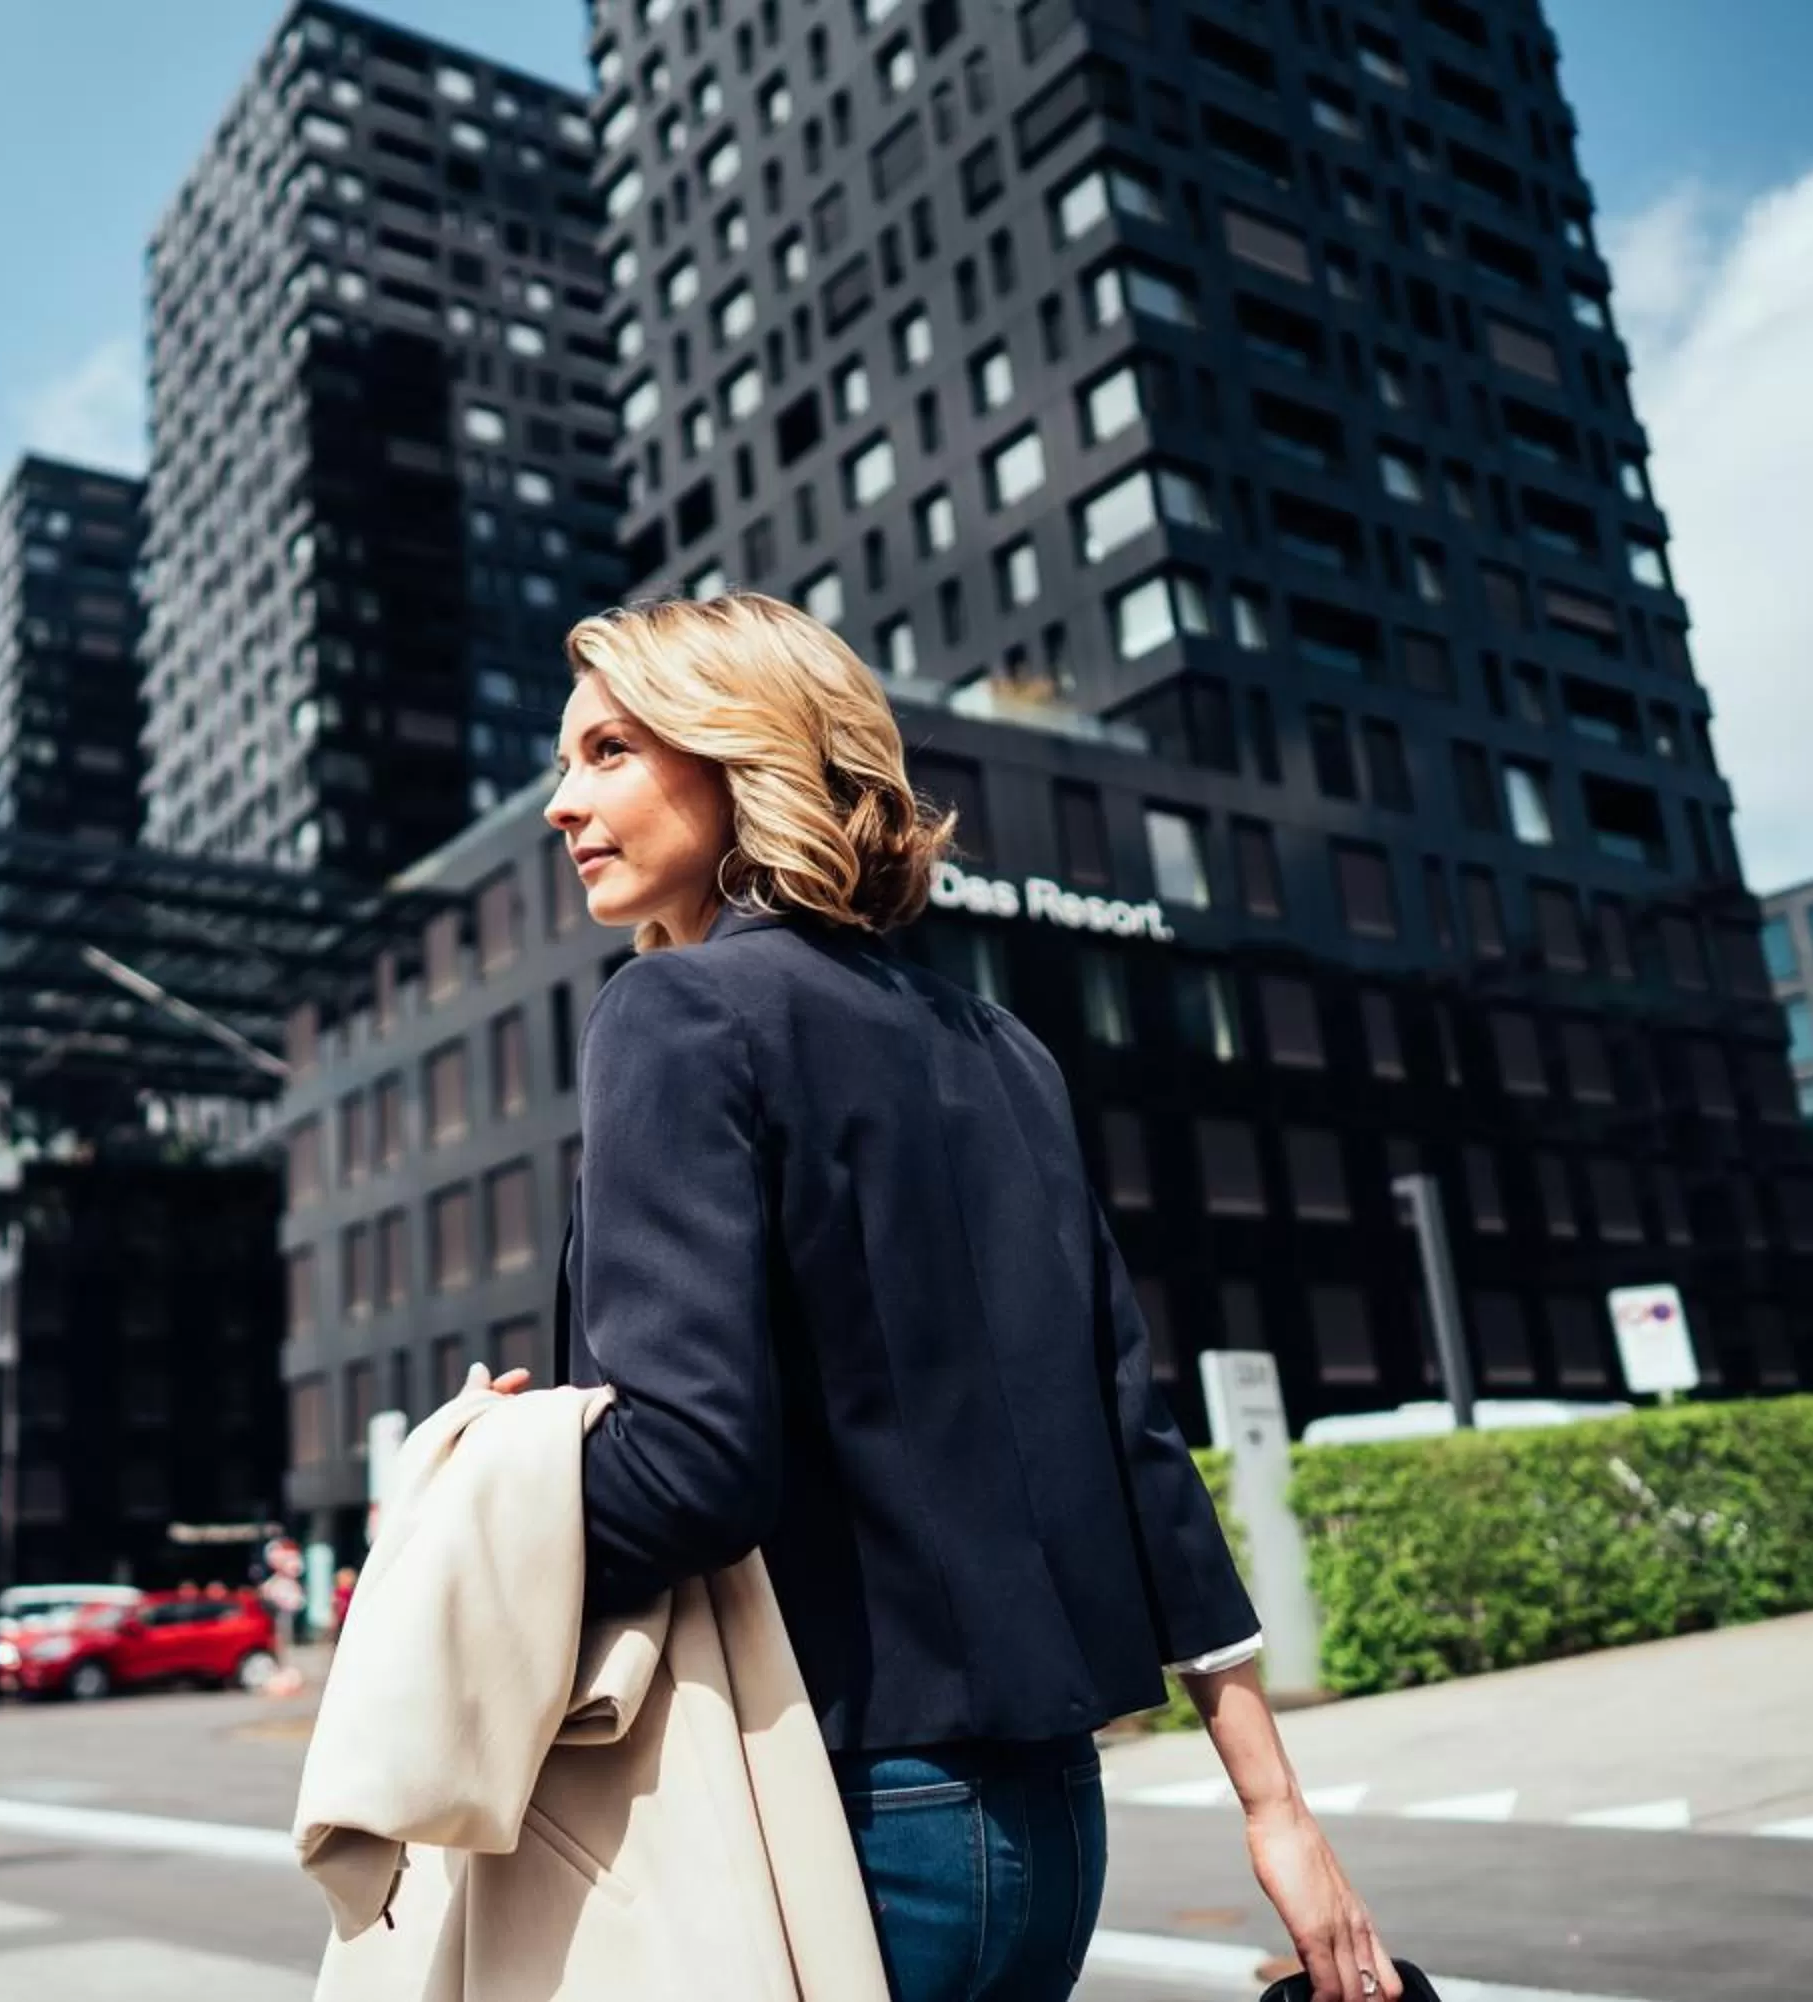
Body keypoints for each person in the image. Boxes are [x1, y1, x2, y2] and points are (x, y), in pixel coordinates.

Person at [519, 594, 1398, 2002]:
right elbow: (1133, 1437)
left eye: (610, 750)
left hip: (833, 1816)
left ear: (742, 751)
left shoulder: (675, 1014)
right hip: (1050, 1825)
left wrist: (483, 1496)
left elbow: (691, 1468)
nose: (563, 803)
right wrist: (1276, 1810)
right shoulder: (1000, 1045)